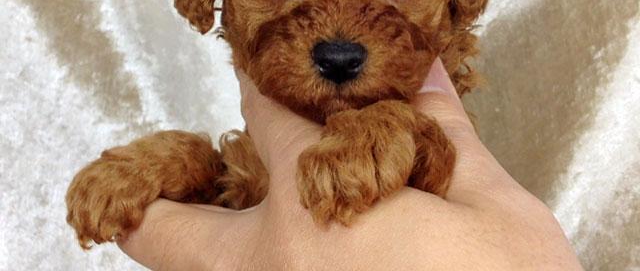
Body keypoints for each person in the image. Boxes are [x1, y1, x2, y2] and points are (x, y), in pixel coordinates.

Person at [118, 59, 583, 270]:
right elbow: (234, 192)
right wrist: (177, 166)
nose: (338, 37)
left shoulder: (423, 135)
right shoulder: (267, 136)